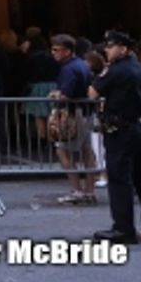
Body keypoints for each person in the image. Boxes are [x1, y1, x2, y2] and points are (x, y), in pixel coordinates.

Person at [89, 30, 141, 244]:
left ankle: (123, 229)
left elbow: (92, 92)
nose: (107, 50)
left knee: (120, 179)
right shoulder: (140, 68)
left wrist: (101, 73)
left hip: (121, 130)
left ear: (123, 48)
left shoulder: (116, 70)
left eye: (111, 46)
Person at [48, 33, 96, 206]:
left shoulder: (68, 69)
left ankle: (76, 190)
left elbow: (66, 95)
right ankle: (89, 191)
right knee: (86, 151)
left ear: (67, 51)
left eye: (56, 50)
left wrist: (54, 94)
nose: (53, 53)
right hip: (86, 112)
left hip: (72, 114)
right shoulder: (82, 64)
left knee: (63, 150)